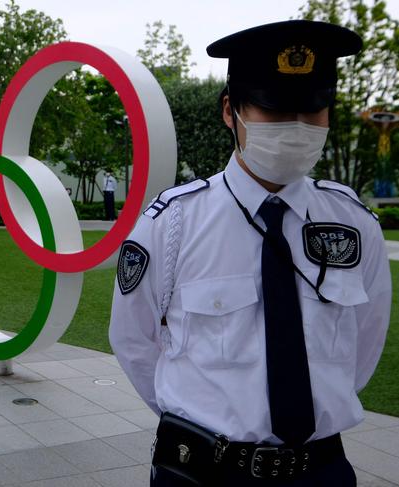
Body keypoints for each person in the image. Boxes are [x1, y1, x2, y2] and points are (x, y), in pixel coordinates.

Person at [109, 20, 391, 486]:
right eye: (275, 109)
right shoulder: (173, 223)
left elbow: (366, 339)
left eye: (313, 109)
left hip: (320, 471)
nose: (297, 127)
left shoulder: (352, 223)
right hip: (203, 471)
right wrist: (198, 419)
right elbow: (134, 340)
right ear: (230, 111)